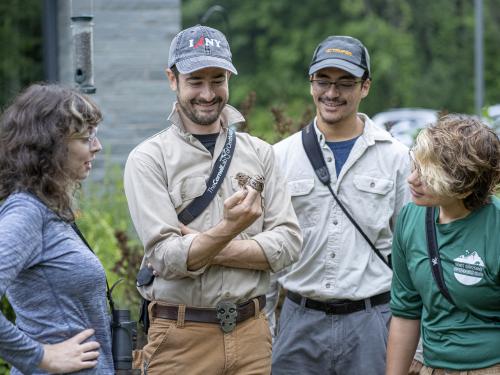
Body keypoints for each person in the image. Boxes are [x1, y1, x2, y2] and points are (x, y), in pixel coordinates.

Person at [123, 25, 301, 374]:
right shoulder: (148, 159)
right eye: (195, 81)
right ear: (172, 79)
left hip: (252, 335)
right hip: (179, 338)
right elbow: (165, 257)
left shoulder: (261, 154)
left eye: (217, 79)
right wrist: (232, 230)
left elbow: (289, 244)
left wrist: (203, 244)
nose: (208, 93)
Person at [270, 35, 410, 375]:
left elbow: (412, 252)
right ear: (311, 83)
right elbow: (269, 252)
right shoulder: (279, 157)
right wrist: (265, 330)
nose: (332, 93)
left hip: (373, 322)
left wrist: (415, 344)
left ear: (365, 87)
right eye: (323, 81)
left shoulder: (396, 157)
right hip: (298, 321)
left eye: (345, 83)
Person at [0, 83, 113, 374]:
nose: (97, 146)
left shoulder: (49, 210)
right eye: (86, 137)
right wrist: (41, 356)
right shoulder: (26, 213)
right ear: (50, 144)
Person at [387, 114, 500, 375]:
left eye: (427, 176)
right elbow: (406, 311)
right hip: (433, 365)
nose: (411, 180)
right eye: (415, 166)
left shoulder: (494, 226)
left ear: (464, 187)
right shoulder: (410, 218)